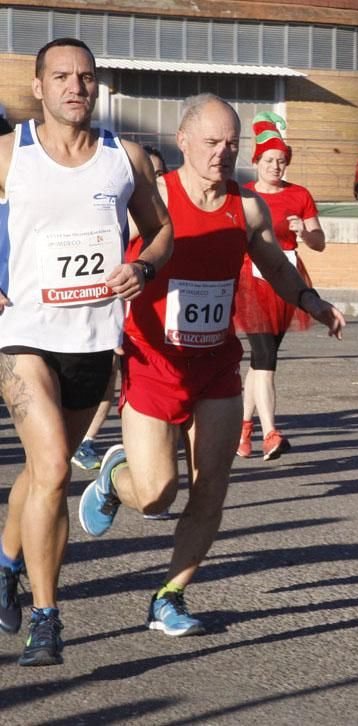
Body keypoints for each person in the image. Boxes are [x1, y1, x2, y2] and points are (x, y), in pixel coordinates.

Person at [76, 94, 345, 638]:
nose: (223, 153)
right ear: (183, 140)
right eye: (212, 142)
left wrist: (312, 301)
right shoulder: (149, 200)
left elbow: (276, 264)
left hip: (216, 365)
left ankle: (169, 595)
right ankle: (113, 475)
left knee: (212, 486)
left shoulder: (247, 208)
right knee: (155, 492)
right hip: (153, 361)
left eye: (232, 144)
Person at [0, 38, 173, 666]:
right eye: (62, 76)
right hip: (22, 336)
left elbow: (160, 232)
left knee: (43, 471)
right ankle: (47, 617)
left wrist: (145, 269)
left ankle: (5, 561)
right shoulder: (9, 153)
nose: (76, 86)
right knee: (49, 467)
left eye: (87, 77)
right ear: (39, 86)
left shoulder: (122, 158)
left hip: (92, 340)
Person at [233, 112, 326, 461]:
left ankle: (243, 428)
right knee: (264, 357)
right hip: (250, 280)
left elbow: (320, 243)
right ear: (257, 161)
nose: (276, 167)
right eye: (270, 160)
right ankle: (270, 432)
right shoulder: (243, 196)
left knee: (262, 361)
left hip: (285, 280)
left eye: (282, 161)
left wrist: (304, 231)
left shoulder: (299, 195)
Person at [72, 145, 170, 473]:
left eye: (159, 175)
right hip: (107, 295)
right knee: (108, 372)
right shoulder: (120, 208)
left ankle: (103, 441)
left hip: (150, 298)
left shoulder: (163, 210)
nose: (156, 181)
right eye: (150, 176)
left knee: (123, 375)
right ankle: (85, 438)